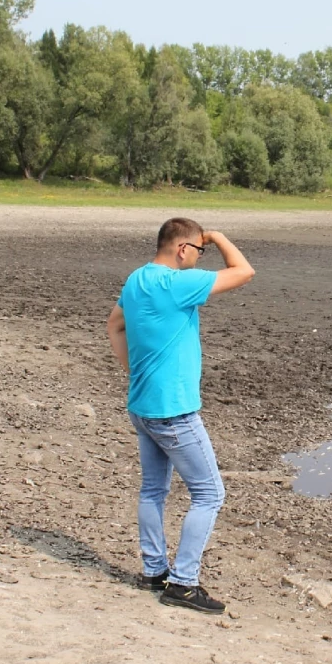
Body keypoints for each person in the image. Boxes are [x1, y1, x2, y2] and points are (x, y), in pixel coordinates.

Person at [107, 217, 255, 614]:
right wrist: (221, 236)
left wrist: (134, 372)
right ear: (182, 249)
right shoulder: (176, 284)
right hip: (173, 411)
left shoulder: (137, 279)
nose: (200, 257)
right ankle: (184, 583)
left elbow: (114, 326)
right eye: (199, 250)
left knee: (154, 491)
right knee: (210, 494)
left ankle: (155, 571)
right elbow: (243, 271)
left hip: (142, 406)